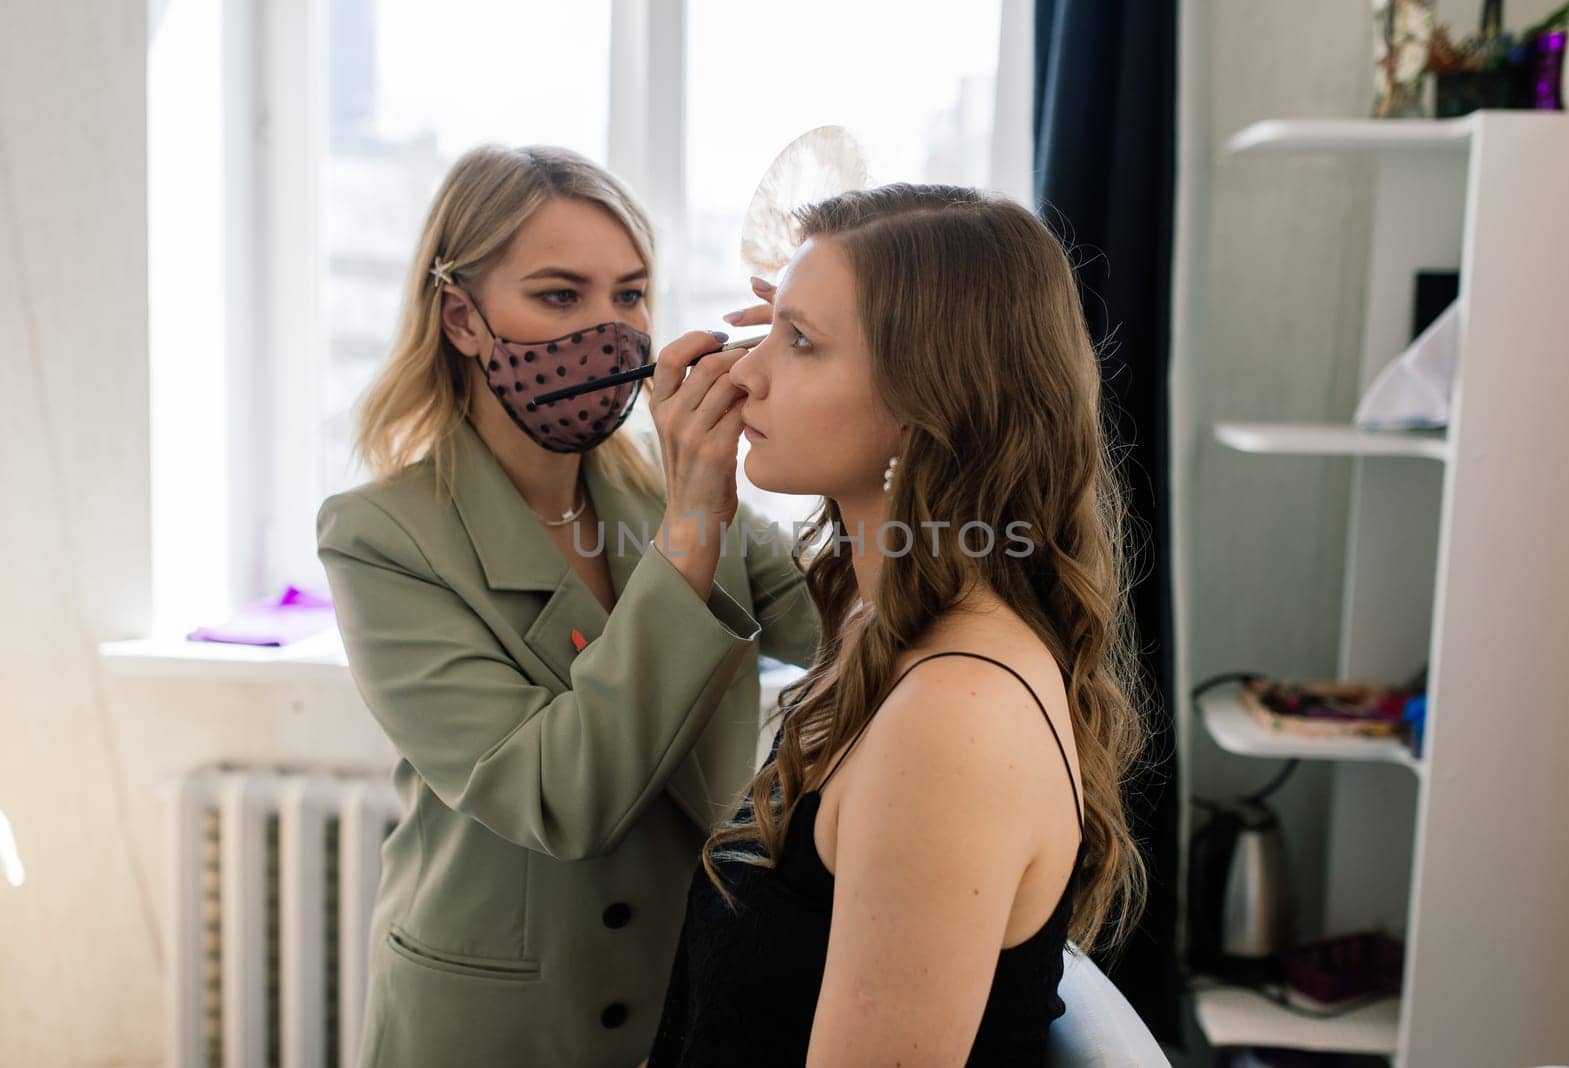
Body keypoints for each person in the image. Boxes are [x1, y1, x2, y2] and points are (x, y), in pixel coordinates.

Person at [315, 143, 819, 1067]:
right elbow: (559, 800)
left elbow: (845, 624)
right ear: (463, 319)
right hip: (494, 1026)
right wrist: (694, 522)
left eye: (629, 296)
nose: (610, 329)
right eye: (560, 295)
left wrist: (849, 381)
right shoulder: (381, 536)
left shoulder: (658, 499)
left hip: (687, 995)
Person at [649, 184, 1150, 1066]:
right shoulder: (888, 625)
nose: (745, 372)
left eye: (798, 343)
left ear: (934, 402)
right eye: (767, 330)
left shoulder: (952, 713)